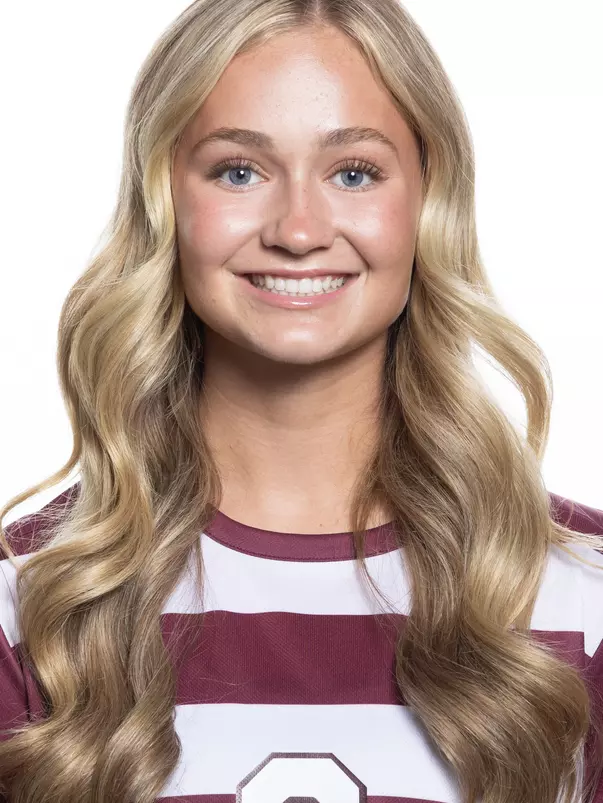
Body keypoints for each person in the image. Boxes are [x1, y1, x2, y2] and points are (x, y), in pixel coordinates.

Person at [1, 1, 602, 801]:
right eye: (237, 171)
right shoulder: (31, 602)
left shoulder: (583, 591)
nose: (297, 230)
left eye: (353, 172)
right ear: (163, 201)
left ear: (429, 199)